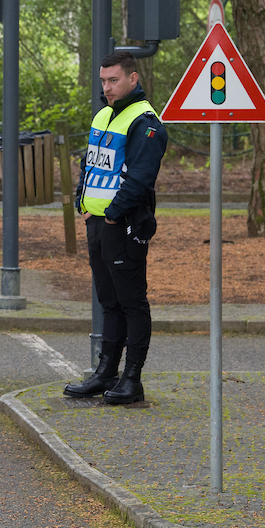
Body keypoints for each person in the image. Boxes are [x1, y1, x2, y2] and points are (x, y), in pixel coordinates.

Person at [64, 51, 168, 405]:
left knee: (132, 303)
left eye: (114, 80)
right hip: (98, 224)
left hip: (123, 224)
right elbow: (90, 162)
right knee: (109, 302)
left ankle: (132, 379)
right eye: (103, 81)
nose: (107, 88)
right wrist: (82, 201)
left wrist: (112, 214)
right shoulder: (104, 115)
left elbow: (140, 177)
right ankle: (106, 372)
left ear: (133, 79)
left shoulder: (146, 121)